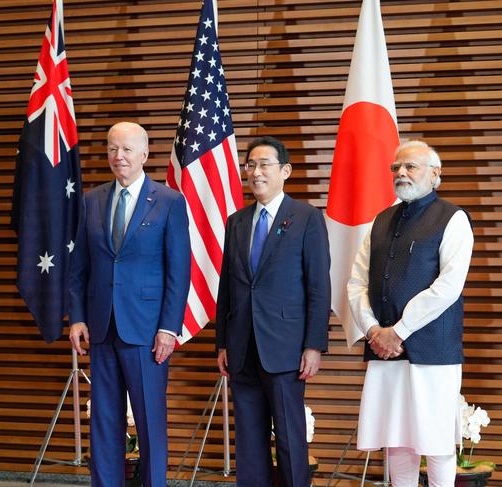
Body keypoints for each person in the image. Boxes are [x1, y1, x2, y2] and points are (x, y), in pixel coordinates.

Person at [68, 122, 191, 486]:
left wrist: (169, 327)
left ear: (144, 153)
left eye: (126, 149)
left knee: (150, 420)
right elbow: (79, 268)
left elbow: (178, 270)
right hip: (102, 327)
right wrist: (76, 317)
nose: (118, 156)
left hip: (147, 330)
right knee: (104, 422)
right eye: (111, 148)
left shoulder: (169, 201)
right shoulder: (91, 201)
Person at [347, 140, 474, 487]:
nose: (400, 173)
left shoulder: (453, 218)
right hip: (385, 351)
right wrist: (374, 331)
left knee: (435, 442)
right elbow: (356, 282)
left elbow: (448, 286)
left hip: (432, 353)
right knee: (397, 440)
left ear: (435, 175)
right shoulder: (381, 220)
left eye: (411, 166)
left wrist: (397, 332)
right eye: (395, 168)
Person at [216, 136, 331, 487]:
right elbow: (228, 287)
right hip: (241, 348)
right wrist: (222, 342)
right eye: (250, 165)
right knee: (249, 443)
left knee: (289, 438)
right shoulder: (237, 221)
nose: (255, 172)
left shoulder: (307, 218)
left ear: (285, 171)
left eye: (264, 164)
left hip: (286, 349)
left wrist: (314, 344)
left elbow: (318, 286)